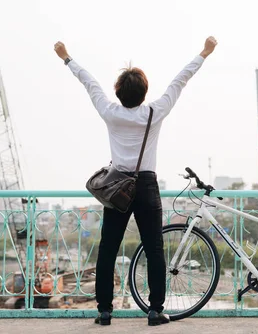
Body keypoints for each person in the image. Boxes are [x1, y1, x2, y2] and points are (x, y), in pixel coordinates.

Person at [53, 36, 218, 326]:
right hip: (146, 185)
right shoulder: (155, 112)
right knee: (154, 248)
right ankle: (155, 310)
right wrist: (204, 52)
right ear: (145, 92)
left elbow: (89, 82)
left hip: (117, 186)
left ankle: (105, 311)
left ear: (118, 93)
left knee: (108, 248)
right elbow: (180, 80)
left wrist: (67, 57)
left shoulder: (110, 112)